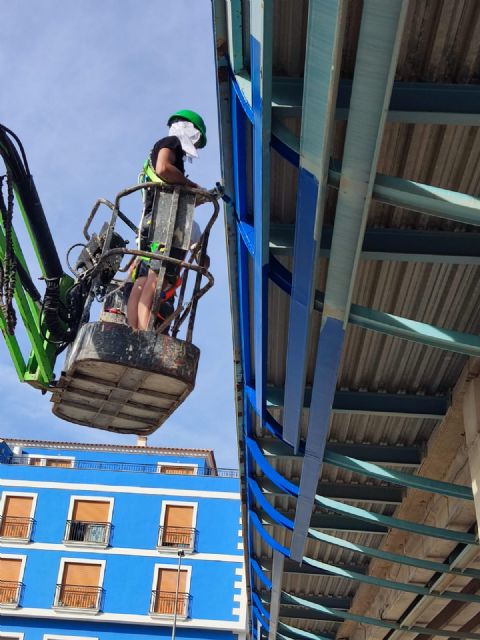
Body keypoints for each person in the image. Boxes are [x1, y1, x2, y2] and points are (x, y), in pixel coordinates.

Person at [127, 110, 209, 331]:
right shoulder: (171, 142)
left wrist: (192, 197)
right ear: (189, 129)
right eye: (197, 138)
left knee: (143, 281)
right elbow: (164, 168)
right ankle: (145, 335)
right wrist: (193, 188)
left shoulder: (156, 151)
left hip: (151, 223)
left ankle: (134, 332)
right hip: (164, 222)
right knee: (156, 279)